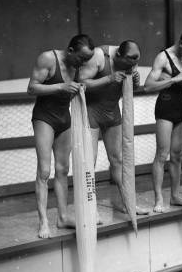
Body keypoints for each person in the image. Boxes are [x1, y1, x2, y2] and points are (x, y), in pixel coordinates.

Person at [28, 34, 94, 238]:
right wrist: (61, 86)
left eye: (86, 60)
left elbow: (79, 85)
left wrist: (80, 88)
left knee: (63, 169)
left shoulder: (78, 65)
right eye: (81, 58)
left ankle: (63, 217)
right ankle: (43, 221)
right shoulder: (48, 58)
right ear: (71, 50)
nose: (83, 63)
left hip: (64, 118)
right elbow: (32, 88)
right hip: (44, 118)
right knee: (45, 170)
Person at [78, 40, 149, 220]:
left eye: (136, 60)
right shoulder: (100, 57)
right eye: (130, 60)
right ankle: (90, 209)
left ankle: (128, 204)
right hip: (91, 112)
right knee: (89, 163)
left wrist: (135, 82)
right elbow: (81, 83)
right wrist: (108, 78)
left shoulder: (131, 59)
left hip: (112, 112)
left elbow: (129, 88)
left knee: (118, 160)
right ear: (118, 55)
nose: (133, 64)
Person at [144, 29, 182, 212]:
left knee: (177, 155)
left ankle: (175, 195)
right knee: (162, 155)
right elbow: (148, 86)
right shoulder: (163, 58)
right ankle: (159, 199)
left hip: (181, 108)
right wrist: (173, 79)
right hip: (165, 107)